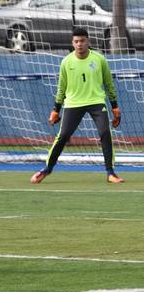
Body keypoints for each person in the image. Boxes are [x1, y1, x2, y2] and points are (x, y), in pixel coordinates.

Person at [31, 27, 123, 184]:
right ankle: (47, 169)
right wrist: (55, 110)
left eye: (82, 41)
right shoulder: (66, 62)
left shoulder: (100, 59)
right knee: (63, 135)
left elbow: (109, 85)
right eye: (76, 41)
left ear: (88, 41)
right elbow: (62, 88)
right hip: (73, 103)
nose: (79, 44)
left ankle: (110, 172)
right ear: (72, 43)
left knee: (105, 132)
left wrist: (115, 107)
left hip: (96, 102)